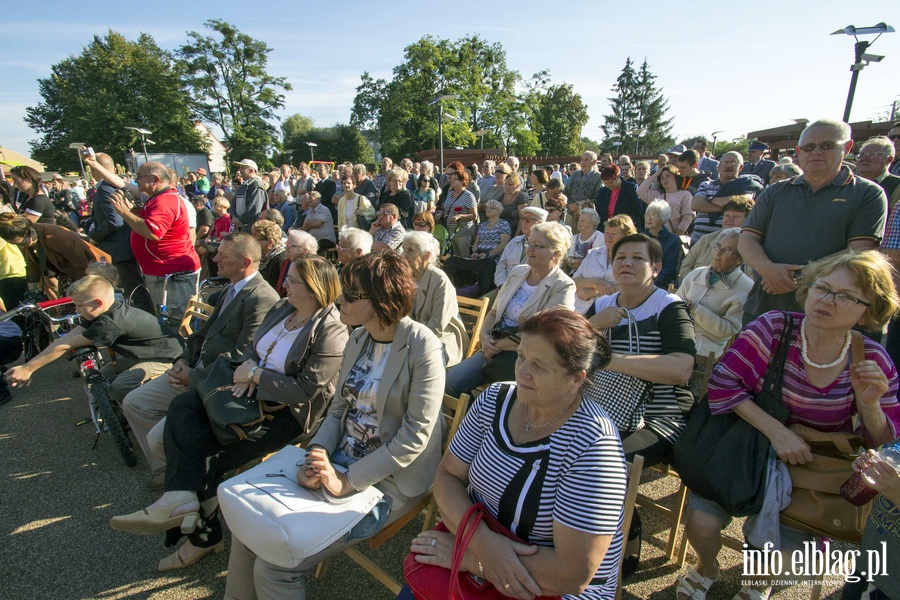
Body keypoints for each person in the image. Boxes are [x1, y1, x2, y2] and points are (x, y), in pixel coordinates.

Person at [676, 250, 900, 600]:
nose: (827, 300)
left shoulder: (871, 358)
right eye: (822, 288)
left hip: (809, 468)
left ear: (868, 310)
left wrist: (869, 404)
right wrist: (777, 432)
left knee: (784, 562)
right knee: (701, 525)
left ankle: (755, 584)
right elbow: (721, 384)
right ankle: (707, 568)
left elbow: (886, 443)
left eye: (845, 296)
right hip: (742, 448)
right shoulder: (774, 327)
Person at [222, 251, 445, 599]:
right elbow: (339, 408)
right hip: (337, 460)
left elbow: (414, 437)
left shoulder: (422, 346)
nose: (341, 298)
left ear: (383, 300)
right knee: (249, 527)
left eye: (352, 294)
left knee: (275, 565)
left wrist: (347, 481)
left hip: (387, 481)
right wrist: (317, 453)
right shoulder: (357, 338)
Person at [111, 255, 349, 572]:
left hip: (287, 415)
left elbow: (306, 390)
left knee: (204, 456)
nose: (284, 285)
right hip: (243, 395)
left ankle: (197, 527)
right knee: (183, 405)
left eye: (291, 281)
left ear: (315, 288)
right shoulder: (283, 308)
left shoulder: (331, 331)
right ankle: (182, 500)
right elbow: (253, 347)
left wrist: (256, 377)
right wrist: (249, 370)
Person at [402, 307, 626, 600]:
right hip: (479, 547)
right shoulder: (495, 399)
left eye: (539, 365)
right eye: (521, 356)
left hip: (551, 589)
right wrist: (483, 544)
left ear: (576, 378)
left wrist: (474, 561)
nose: (522, 372)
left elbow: (573, 575)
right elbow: (447, 476)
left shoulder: (593, 445)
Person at [122, 233, 279, 480]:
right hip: (195, 370)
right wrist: (182, 361)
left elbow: (241, 357)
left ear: (245, 262)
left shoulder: (262, 298)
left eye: (222, 256)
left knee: (157, 440)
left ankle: (187, 471)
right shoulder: (232, 287)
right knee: (134, 403)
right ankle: (174, 466)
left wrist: (192, 377)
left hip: (214, 383)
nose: (214, 258)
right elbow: (202, 336)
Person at [739, 119, 887, 324]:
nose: (816, 152)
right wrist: (768, 270)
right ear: (799, 152)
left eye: (827, 145)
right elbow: (747, 240)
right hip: (764, 306)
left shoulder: (868, 194)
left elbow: (860, 251)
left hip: (827, 313)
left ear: (848, 146)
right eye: (808, 147)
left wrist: (797, 277)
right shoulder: (774, 191)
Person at [584, 233, 695, 467]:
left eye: (637, 258)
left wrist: (606, 361)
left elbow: (680, 369)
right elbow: (564, 347)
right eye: (620, 257)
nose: (626, 263)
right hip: (600, 407)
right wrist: (592, 325)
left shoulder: (669, 306)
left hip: (659, 417)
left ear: (656, 268)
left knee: (599, 464)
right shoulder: (602, 305)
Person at [4, 275, 183, 405]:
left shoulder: (110, 322)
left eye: (79, 305)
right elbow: (64, 340)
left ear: (97, 303)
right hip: (145, 353)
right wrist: (28, 367)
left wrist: (28, 368)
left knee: (117, 388)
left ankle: (139, 411)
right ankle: (114, 409)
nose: (76, 309)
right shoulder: (105, 312)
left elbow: (64, 346)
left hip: (167, 358)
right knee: (100, 378)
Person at [445, 222, 575, 398]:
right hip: (492, 347)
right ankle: (467, 422)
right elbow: (493, 312)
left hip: (526, 358)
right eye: (530, 243)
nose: (530, 249)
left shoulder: (563, 286)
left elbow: (546, 334)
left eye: (539, 246)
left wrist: (496, 345)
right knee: (449, 384)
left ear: (557, 253)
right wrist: (484, 337)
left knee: (496, 399)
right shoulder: (517, 272)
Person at [108, 162, 201, 323]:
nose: (136, 181)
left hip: (172, 275)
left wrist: (123, 212)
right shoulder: (159, 199)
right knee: (170, 319)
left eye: (139, 177)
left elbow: (153, 232)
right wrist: (132, 211)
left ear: (155, 179)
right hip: (164, 272)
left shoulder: (164, 202)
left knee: (175, 321)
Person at [676, 229, 753, 358]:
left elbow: (728, 329)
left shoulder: (745, 288)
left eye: (726, 251)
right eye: (718, 247)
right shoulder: (696, 274)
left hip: (704, 351)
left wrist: (695, 309)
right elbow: (674, 306)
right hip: (675, 339)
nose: (718, 253)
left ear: (740, 259)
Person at [0, 214, 109, 299]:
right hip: (67, 274)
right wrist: (31, 292)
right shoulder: (29, 239)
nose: (21, 247)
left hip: (90, 272)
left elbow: (81, 265)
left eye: (22, 243)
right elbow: (32, 265)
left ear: (31, 231)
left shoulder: (57, 237)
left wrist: (84, 291)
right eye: (16, 244)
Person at [82, 153, 144, 302]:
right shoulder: (110, 186)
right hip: (122, 247)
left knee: (134, 290)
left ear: (93, 170)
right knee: (132, 289)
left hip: (120, 248)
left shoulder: (105, 189)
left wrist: (94, 236)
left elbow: (114, 221)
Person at [402, 231, 469, 367]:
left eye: (410, 250)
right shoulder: (408, 277)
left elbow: (437, 325)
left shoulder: (439, 279)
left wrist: (407, 338)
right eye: (403, 250)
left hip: (442, 340)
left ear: (426, 255)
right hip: (415, 337)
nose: (404, 255)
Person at [690, 151, 760, 244]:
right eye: (725, 162)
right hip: (698, 241)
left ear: (741, 167)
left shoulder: (746, 186)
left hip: (726, 243)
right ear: (719, 167)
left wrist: (710, 200)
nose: (728, 165)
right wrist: (728, 207)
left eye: (733, 162)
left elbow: (740, 204)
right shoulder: (705, 184)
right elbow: (696, 205)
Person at [679, 196, 754, 282]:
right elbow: (685, 266)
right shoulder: (705, 240)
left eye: (736, 217)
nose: (729, 220)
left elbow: (752, 278)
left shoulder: (752, 246)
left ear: (748, 220)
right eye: (727, 216)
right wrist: (697, 283)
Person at [572, 214, 637, 314]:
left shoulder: (632, 259)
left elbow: (633, 287)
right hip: (580, 310)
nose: (608, 237)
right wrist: (595, 283)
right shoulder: (593, 254)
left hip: (613, 312)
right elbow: (574, 281)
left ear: (626, 236)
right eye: (606, 233)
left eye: (614, 234)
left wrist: (595, 292)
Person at [494, 206, 547, 288]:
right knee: (479, 300)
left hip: (527, 290)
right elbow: (501, 266)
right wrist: (501, 284)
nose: (524, 222)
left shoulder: (545, 246)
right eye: (523, 219)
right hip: (505, 287)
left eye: (528, 220)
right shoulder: (514, 242)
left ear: (539, 223)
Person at [637, 164, 694, 236]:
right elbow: (640, 191)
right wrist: (656, 174)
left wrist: (678, 235)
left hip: (674, 237)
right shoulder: (656, 195)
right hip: (655, 237)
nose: (665, 179)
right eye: (662, 178)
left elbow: (687, 217)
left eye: (668, 176)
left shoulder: (685, 194)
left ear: (675, 177)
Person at [437, 163, 478, 256]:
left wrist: (460, 216)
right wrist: (442, 213)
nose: (451, 180)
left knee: (463, 258)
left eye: (455, 179)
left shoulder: (468, 196)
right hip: (449, 232)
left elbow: (474, 216)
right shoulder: (450, 194)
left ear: (462, 181)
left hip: (462, 232)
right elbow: (447, 209)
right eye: (452, 178)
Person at [642, 200, 680, 290]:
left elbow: (670, 268)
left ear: (663, 219)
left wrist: (652, 284)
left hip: (660, 284)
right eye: (647, 215)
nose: (649, 218)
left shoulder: (672, 240)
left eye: (654, 215)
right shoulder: (640, 237)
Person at [856, 136, 900, 210]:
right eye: (861, 155)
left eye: (872, 154)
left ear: (889, 159)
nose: (864, 158)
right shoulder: (849, 183)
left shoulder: (896, 185)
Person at [595, 165, 644, 232]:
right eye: (605, 183)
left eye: (610, 182)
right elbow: (599, 212)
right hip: (606, 228)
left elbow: (636, 210)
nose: (607, 185)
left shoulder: (631, 188)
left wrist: (623, 225)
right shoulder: (603, 191)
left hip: (626, 228)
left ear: (618, 177)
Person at [230, 159, 268, 232]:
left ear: (251, 171)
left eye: (243, 168)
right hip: (241, 226)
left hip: (252, 227)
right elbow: (233, 203)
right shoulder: (243, 186)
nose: (240, 170)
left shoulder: (256, 185)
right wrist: (233, 217)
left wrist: (241, 220)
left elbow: (255, 209)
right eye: (240, 167)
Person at [251, 219, 287, 289]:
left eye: (256, 240)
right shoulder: (260, 256)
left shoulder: (281, 259)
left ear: (270, 243)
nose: (252, 243)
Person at [568, 208, 603, 272]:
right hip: (575, 273)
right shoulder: (575, 238)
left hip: (593, 274)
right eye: (579, 220)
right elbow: (569, 260)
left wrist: (575, 262)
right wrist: (580, 262)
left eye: (582, 221)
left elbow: (594, 261)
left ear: (592, 223)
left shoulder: (599, 237)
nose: (579, 223)